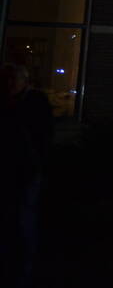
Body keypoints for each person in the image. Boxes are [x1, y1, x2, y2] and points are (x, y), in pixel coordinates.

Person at [0, 63, 53, 288]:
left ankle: (23, 271)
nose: (10, 84)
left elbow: (43, 136)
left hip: (27, 170)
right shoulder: (9, 102)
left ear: (25, 81)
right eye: (7, 80)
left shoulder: (33, 102)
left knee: (24, 218)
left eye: (14, 80)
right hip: (10, 170)